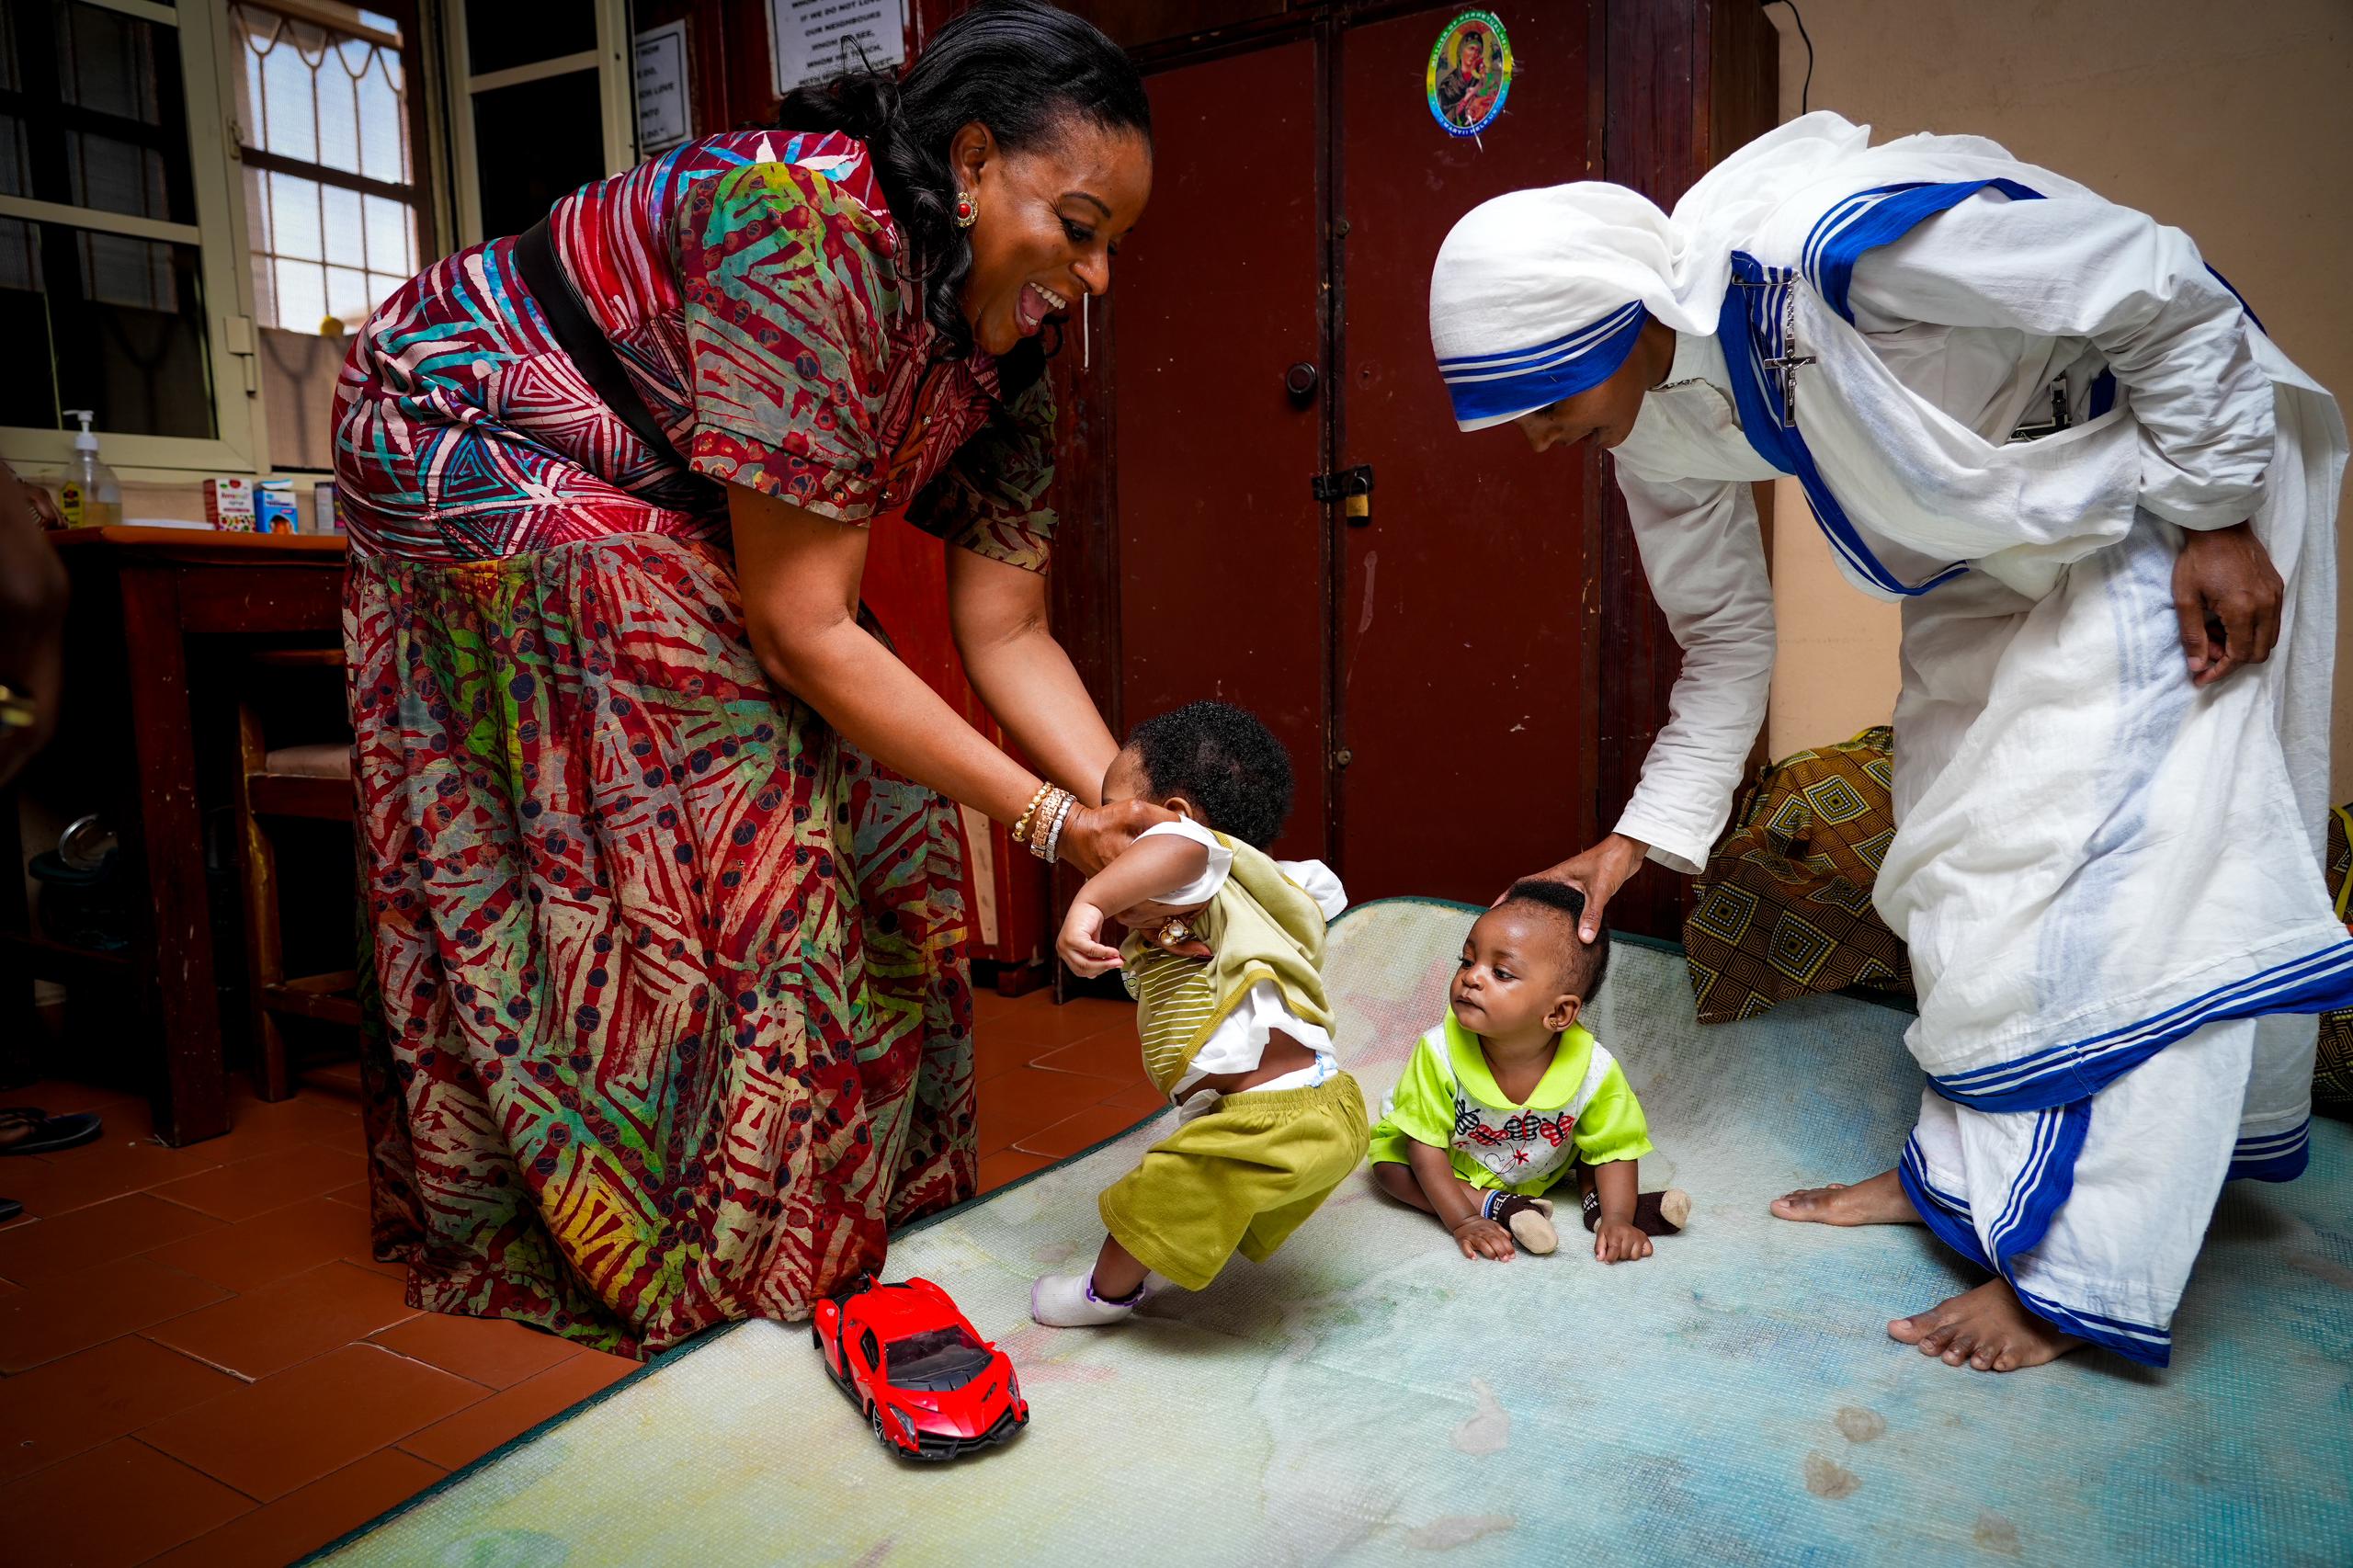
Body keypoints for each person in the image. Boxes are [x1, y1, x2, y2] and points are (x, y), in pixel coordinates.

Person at [1427, 112, 2347, 1371]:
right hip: (2001, 535)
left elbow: (2157, 282)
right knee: (1956, 845)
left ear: (1629, 314)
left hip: (2164, 475)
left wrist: (2224, 510)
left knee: (2131, 880)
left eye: (1544, 399)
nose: (1535, 439)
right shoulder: (1648, 427)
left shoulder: (1835, 253)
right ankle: (1958, 1179)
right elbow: (1729, 638)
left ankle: (2082, 1273)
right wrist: (1642, 835)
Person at [334, 2, 1161, 1355]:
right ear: (966, 166)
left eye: (1114, 243)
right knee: (732, 795)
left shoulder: (1011, 349)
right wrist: (1051, 826)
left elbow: (1008, 633)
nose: (1098, 274)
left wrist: (1129, 811)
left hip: (654, 481)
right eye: (1078, 226)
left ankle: (861, 1192)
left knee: (897, 817)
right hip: (462, 424)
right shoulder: (808, 230)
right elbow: (803, 634)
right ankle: (698, 1230)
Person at [1034, 701, 1368, 1325]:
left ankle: (1102, 1296)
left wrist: (1089, 905)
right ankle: (1183, 1245)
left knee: (1155, 1194)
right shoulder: (1270, 883)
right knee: (1202, 1189)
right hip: (1327, 1108)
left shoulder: (1191, 855)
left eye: (1115, 820)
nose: (1101, 842)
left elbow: (1179, 848)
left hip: (1268, 1117)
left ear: (1174, 819)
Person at [1369, 883, 1686, 1263]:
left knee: (1595, 1153)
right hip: (1453, 1162)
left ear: (1559, 1014)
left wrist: (1619, 1217)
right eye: (1467, 961)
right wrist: (1465, 1219)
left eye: (1501, 972)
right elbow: (1426, 1147)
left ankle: (1606, 1213)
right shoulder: (1438, 1052)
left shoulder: (1594, 1069)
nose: (1472, 977)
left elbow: (1615, 1148)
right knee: (1391, 1168)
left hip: (1544, 1161)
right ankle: (1495, 1205)